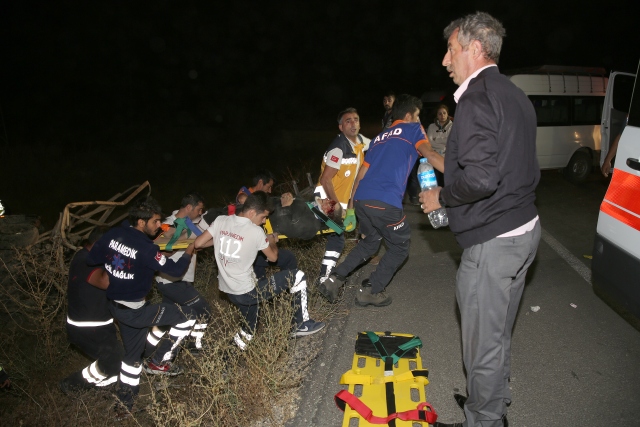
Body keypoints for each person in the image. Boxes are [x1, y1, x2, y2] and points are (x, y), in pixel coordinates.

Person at [420, 12, 541, 427]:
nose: (445, 60)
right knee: (498, 332)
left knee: (482, 345)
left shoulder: (475, 99)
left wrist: (440, 195)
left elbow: (481, 178)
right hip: (524, 230)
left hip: (495, 241)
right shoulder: (514, 94)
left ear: (474, 48)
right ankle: (491, 403)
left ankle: (484, 419)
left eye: (450, 50)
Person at [320, 94, 443, 307]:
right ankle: (371, 289)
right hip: (385, 202)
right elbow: (430, 155)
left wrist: (351, 209)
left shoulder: (379, 137)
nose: (418, 120)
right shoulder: (414, 128)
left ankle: (334, 279)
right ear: (409, 116)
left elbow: (361, 175)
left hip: (362, 200)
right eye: (417, 115)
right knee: (400, 247)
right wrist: (462, 175)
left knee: (370, 242)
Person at [87, 197, 197, 413]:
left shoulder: (113, 234)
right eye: (155, 221)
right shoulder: (147, 248)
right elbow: (175, 271)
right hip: (135, 311)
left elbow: (92, 259)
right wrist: (188, 252)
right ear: (140, 222)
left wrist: (118, 265)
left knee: (131, 357)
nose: (159, 225)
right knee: (188, 315)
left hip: (117, 307)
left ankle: (124, 404)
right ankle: (158, 361)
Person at [193, 191, 325, 350]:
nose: (264, 221)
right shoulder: (255, 231)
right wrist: (271, 240)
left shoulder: (221, 220)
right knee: (298, 276)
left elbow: (198, 244)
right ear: (251, 212)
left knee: (249, 331)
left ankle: (231, 354)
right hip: (248, 292)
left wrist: (222, 237)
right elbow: (273, 257)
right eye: (263, 217)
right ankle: (302, 324)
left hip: (228, 291)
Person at [145, 193, 212, 357]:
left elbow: (199, 244)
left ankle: (145, 350)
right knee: (203, 310)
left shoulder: (189, 224)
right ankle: (192, 345)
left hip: (178, 279)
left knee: (166, 320)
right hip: (172, 280)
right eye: (199, 209)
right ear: (189, 207)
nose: (200, 213)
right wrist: (179, 240)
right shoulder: (167, 224)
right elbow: (160, 251)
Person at [59, 227, 124, 394]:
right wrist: (119, 257)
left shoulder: (95, 258)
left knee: (116, 361)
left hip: (101, 324)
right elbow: (105, 282)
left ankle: (105, 388)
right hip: (86, 328)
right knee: (114, 360)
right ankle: (73, 383)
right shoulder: (84, 260)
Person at [315, 108, 371, 284]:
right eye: (348, 121)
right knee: (337, 238)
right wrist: (337, 207)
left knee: (340, 235)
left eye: (356, 119)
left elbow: (379, 145)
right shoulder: (338, 149)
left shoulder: (360, 142)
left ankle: (327, 277)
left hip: (343, 200)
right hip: (325, 199)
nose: (353, 123)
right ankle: (324, 279)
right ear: (341, 127)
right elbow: (325, 180)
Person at [268, 192, 343, 240]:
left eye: (331, 203)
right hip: (266, 206)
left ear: (327, 212)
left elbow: (286, 228)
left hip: (266, 221)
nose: (327, 199)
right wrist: (288, 196)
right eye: (331, 200)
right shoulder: (309, 204)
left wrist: (285, 206)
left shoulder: (311, 225)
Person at [426, 104, 453, 186]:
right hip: (435, 156)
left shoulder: (453, 126)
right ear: (437, 115)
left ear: (447, 114)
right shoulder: (431, 127)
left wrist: (437, 140)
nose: (442, 115)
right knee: (436, 181)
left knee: (447, 181)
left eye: (444, 113)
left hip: (448, 157)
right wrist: (444, 144)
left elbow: (451, 142)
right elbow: (429, 142)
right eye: (440, 113)